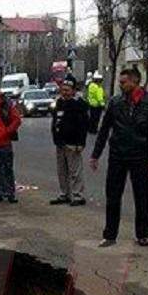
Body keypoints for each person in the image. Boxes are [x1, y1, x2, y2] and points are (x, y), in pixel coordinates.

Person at [90, 65, 148, 247]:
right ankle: (110, 234)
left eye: (124, 82)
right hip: (117, 156)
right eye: (120, 82)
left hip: (140, 156)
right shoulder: (115, 102)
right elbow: (104, 130)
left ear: (135, 81)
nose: (121, 85)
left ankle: (142, 234)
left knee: (142, 198)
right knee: (113, 196)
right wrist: (95, 154)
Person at [50, 76, 89, 206]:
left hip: (73, 143)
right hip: (60, 142)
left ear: (73, 90)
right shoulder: (59, 102)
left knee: (74, 171)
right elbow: (56, 121)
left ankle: (77, 195)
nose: (65, 92)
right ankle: (64, 194)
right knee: (62, 171)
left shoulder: (79, 104)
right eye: (63, 89)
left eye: (67, 90)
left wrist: (81, 143)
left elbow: (83, 125)